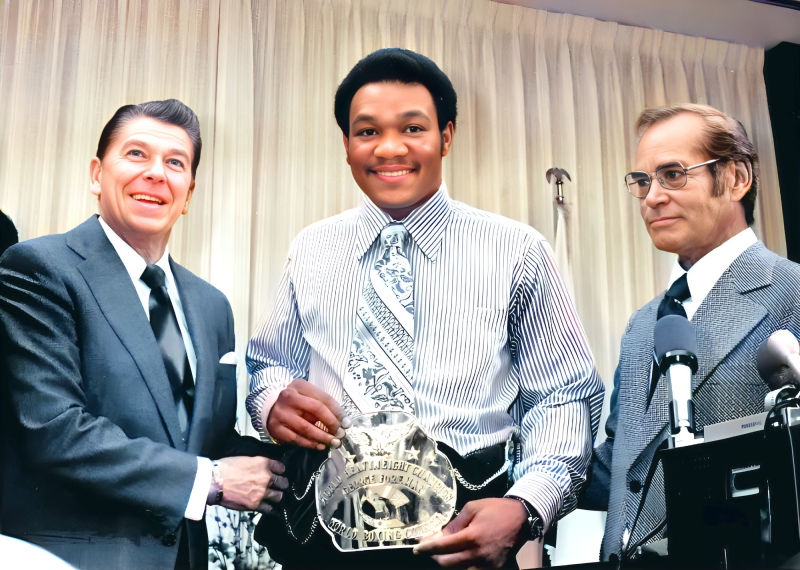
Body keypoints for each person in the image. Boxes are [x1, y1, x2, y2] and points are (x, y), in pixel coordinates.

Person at [246, 48, 603, 569]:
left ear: (446, 136)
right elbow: (270, 364)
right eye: (368, 131)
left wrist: (526, 506)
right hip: (324, 536)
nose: (390, 147)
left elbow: (561, 395)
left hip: (462, 537)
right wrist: (271, 402)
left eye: (413, 128)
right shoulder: (311, 248)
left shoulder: (515, 250)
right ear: (346, 145)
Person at [0, 99, 288, 570]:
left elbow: (206, 443)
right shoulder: (38, 268)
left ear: (188, 194)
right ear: (97, 174)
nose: (156, 173)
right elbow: (54, 429)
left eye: (175, 163)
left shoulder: (212, 305)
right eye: (136, 154)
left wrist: (323, 459)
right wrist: (211, 482)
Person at [582, 103, 800, 562]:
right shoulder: (643, 325)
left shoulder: (792, 292)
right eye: (642, 182)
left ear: (737, 178)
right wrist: (512, 483)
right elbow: (622, 463)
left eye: (673, 175)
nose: (652, 198)